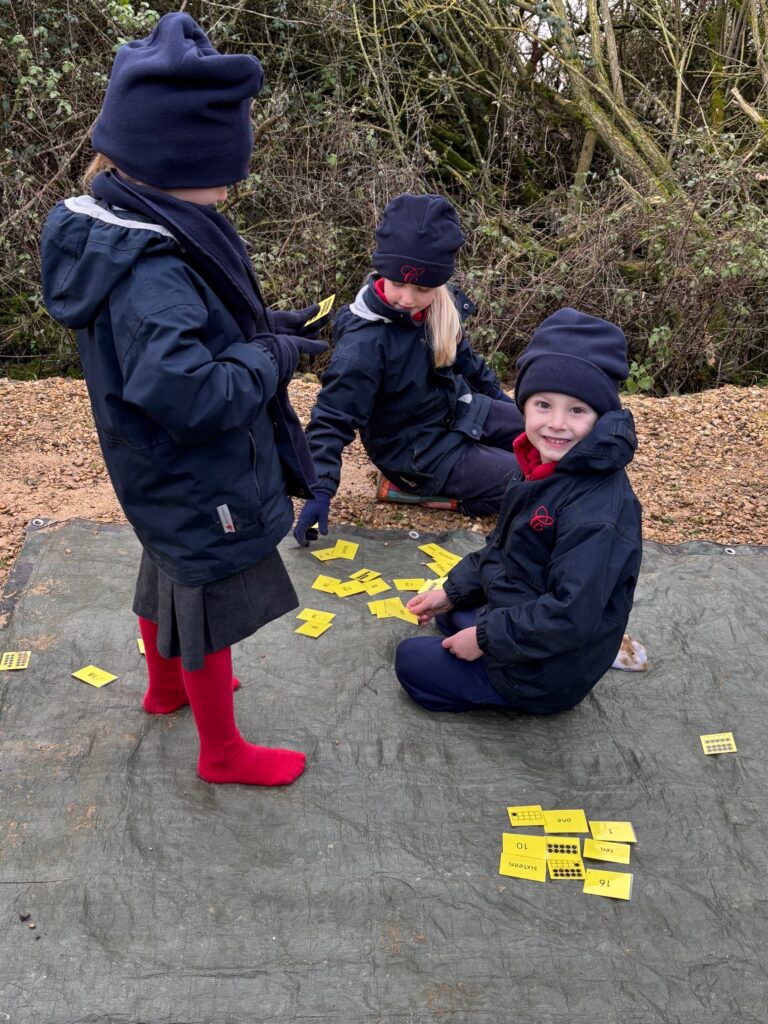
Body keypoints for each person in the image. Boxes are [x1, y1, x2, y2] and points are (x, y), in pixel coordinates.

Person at [40, 12, 330, 786]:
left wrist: (268, 326)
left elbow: (197, 329)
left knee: (164, 567)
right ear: (171, 163)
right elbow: (194, 393)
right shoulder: (153, 271)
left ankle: (166, 689)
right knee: (208, 599)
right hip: (193, 466)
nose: (231, 186)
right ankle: (222, 753)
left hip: (154, 467)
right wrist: (272, 357)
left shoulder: (133, 227)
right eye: (221, 171)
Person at [394, 308, 643, 714]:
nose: (557, 424)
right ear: (524, 406)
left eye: (577, 411)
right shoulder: (539, 466)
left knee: (411, 662)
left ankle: (515, 691)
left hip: (549, 672)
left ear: (601, 418)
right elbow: (503, 551)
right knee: (447, 617)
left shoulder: (599, 510)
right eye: (543, 404)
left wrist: (484, 639)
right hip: (530, 614)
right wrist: (451, 591)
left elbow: (571, 614)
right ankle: (480, 628)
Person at [293, 193, 524, 545]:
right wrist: (318, 490)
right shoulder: (364, 345)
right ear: (382, 270)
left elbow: (472, 369)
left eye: (422, 288)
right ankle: (413, 491)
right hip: (418, 454)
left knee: (544, 438)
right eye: (397, 283)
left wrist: (514, 413)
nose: (406, 298)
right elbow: (332, 418)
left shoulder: (440, 309)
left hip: (459, 412)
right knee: (528, 479)